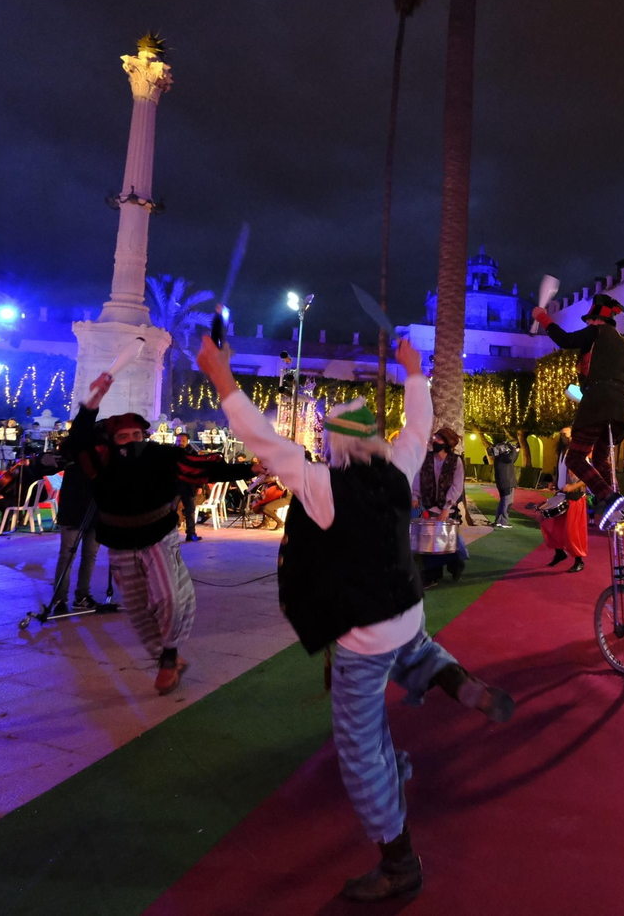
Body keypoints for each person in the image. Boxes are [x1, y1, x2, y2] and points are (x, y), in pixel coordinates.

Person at [200, 333, 514, 903]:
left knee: (360, 746)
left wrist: (223, 378)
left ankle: (399, 863)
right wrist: (413, 369)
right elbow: (419, 423)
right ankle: (452, 678)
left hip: (363, 637)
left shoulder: (324, 486)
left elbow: (266, 444)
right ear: (372, 437)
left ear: (334, 445)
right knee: (414, 647)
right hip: (407, 611)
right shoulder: (399, 466)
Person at [65, 372, 255, 695]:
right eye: (123, 436)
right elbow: (77, 440)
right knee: (138, 611)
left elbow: (204, 467)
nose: (131, 440)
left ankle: (168, 655)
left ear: (145, 434)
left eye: (137, 434)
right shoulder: (101, 459)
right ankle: (167, 657)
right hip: (120, 542)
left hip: (158, 535)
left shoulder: (162, 456)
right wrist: (94, 398)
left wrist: (250, 468)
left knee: (168, 596)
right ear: (112, 439)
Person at [532, 293, 624, 530]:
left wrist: (542, 318)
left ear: (597, 320)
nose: (588, 324)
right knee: (601, 459)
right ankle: (617, 507)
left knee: (575, 457)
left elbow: (564, 339)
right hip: (622, 410)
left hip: (596, 405)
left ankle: (610, 497)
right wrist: (615, 396)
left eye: (590, 320)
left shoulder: (596, 332)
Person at [412, 427, 466, 588]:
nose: (435, 441)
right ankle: (432, 576)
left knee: (446, 542)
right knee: (430, 543)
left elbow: (457, 486)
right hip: (429, 506)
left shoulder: (456, 461)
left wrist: (447, 507)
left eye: (439, 439)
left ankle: (456, 565)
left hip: (447, 508)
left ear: (447, 443)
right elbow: (417, 478)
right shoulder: (425, 459)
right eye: (435, 438)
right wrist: (415, 496)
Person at [52, 455, 101, 611]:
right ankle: (60, 599)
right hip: (73, 515)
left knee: (90, 556)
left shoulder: (103, 466)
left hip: (95, 515)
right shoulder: (74, 466)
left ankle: (82, 595)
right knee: (67, 556)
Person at [541, 438, 588, 572]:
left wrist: (573, 486)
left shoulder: (579, 455)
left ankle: (579, 560)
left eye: (566, 434)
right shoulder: (561, 453)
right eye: (561, 434)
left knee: (573, 531)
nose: (563, 437)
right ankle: (560, 552)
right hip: (561, 495)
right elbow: (561, 473)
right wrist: (554, 483)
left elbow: (588, 476)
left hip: (575, 497)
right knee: (550, 525)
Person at [174, 433, 204, 541]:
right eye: (179, 441)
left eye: (183, 441)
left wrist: (200, 485)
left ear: (187, 441)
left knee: (190, 511)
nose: (180, 443)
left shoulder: (193, 454)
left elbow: (199, 470)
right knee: (171, 510)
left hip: (189, 486)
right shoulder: (171, 453)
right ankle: (171, 534)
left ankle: (191, 533)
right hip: (175, 486)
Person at [486, 436, 518, 528]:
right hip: (507, 482)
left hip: (502, 483)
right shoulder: (504, 457)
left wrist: (516, 451)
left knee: (503, 502)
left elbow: (512, 459)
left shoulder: (499, 458)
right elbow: (511, 458)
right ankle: (504, 521)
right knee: (507, 502)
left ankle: (498, 520)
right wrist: (513, 448)